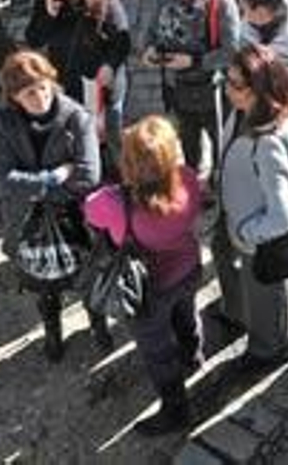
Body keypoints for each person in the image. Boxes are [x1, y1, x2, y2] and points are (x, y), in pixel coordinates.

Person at [86, 117, 205, 435]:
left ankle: (176, 409)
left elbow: (89, 208)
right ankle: (193, 354)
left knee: (157, 351)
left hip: (149, 291)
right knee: (187, 314)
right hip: (189, 269)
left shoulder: (115, 204)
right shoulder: (190, 180)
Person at [0, 49, 101, 359]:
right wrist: (51, 179)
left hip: (76, 219)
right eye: (29, 93)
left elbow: (89, 176)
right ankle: (53, 332)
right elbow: (2, 175)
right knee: (43, 285)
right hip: (29, 220)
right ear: (14, 97)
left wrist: (33, 187)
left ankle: (98, 325)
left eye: (43, 87)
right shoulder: (5, 121)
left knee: (87, 279)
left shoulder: (76, 117)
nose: (40, 97)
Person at [213, 43, 288, 373]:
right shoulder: (241, 110)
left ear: (259, 91)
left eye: (236, 85)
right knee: (227, 264)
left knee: (264, 295)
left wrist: (248, 233)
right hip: (232, 216)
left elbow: (283, 216)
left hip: (255, 238)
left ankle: (268, 349)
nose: (227, 90)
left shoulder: (269, 143)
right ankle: (235, 314)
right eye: (226, 80)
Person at [23, 0, 131, 169]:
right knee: (81, 136)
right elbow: (34, 39)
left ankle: (123, 176)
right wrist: (48, 16)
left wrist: (110, 66)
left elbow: (122, 40)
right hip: (70, 84)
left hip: (103, 84)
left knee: (111, 137)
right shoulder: (46, 0)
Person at [143, 0, 242, 172]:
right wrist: (150, 50)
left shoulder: (222, 1)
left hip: (213, 88)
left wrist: (195, 61)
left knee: (222, 146)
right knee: (188, 143)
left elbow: (232, 51)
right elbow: (151, 32)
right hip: (177, 87)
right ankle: (194, 184)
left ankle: (219, 184)